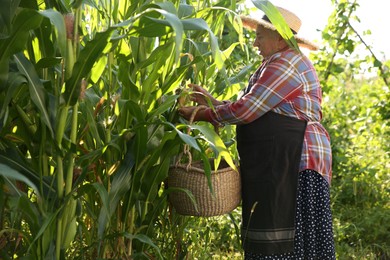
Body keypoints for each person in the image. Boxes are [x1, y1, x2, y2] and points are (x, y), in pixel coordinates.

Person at [178, 5, 336, 260]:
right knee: (291, 235)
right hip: (285, 157)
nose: (255, 42)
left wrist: (205, 113)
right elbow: (254, 107)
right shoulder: (276, 63)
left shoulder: (286, 63)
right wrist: (209, 102)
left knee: (290, 234)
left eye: (260, 36)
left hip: (297, 160)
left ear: (280, 38)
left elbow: (247, 110)